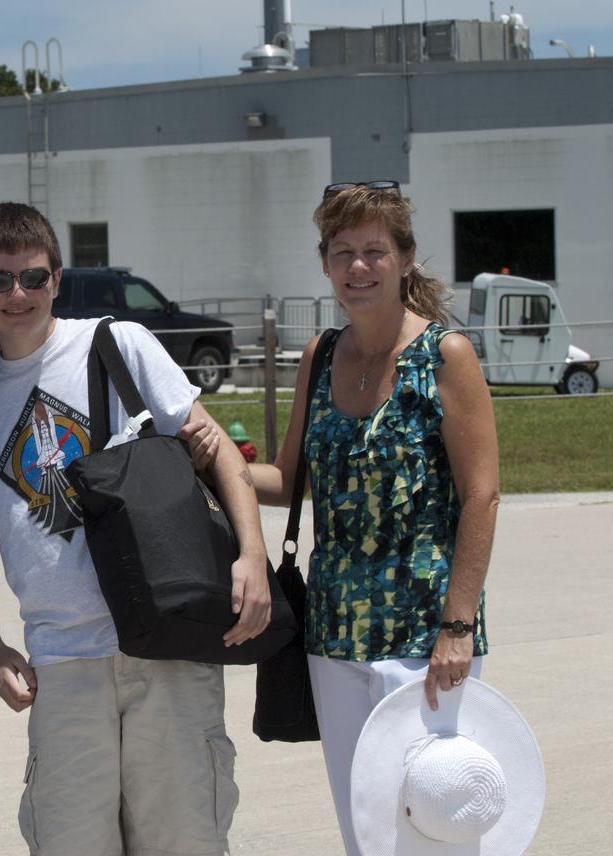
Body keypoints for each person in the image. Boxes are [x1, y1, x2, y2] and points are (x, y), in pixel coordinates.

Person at [0, 202, 270, 856]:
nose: (18, 294)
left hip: (168, 641)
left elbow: (212, 447)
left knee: (184, 839)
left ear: (58, 278)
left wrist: (252, 557)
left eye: (33, 277)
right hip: (62, 663)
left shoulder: (116, 344)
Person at [249, 181, 500, 856]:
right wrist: (210, 460)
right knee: (366, 828)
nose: (358, 268)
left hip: (426, 640)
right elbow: (288, 477)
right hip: (334, 638)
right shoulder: (320, 356)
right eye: (342, 252)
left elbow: (482, 496)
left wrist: (456, 625)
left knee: (436, 826)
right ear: (326, 263)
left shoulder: (445, 356)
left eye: (374, 251)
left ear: (406, 259)